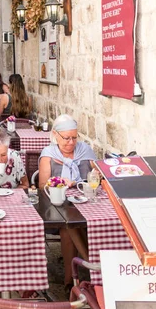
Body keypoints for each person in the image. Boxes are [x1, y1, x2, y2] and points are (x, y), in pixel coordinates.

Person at [39, 114, 96, 292]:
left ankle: (79, 274)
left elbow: (97, 175)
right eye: (66, 138)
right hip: (57, 204)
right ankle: (74, 277)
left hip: (84, 202)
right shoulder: (48, 154)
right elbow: (42, 186)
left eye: (74, 137)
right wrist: (62, 183)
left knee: (81, 224)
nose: (71, 142)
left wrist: (95, 176)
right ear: (55, 135)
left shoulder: (85, 151)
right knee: (67, 226)